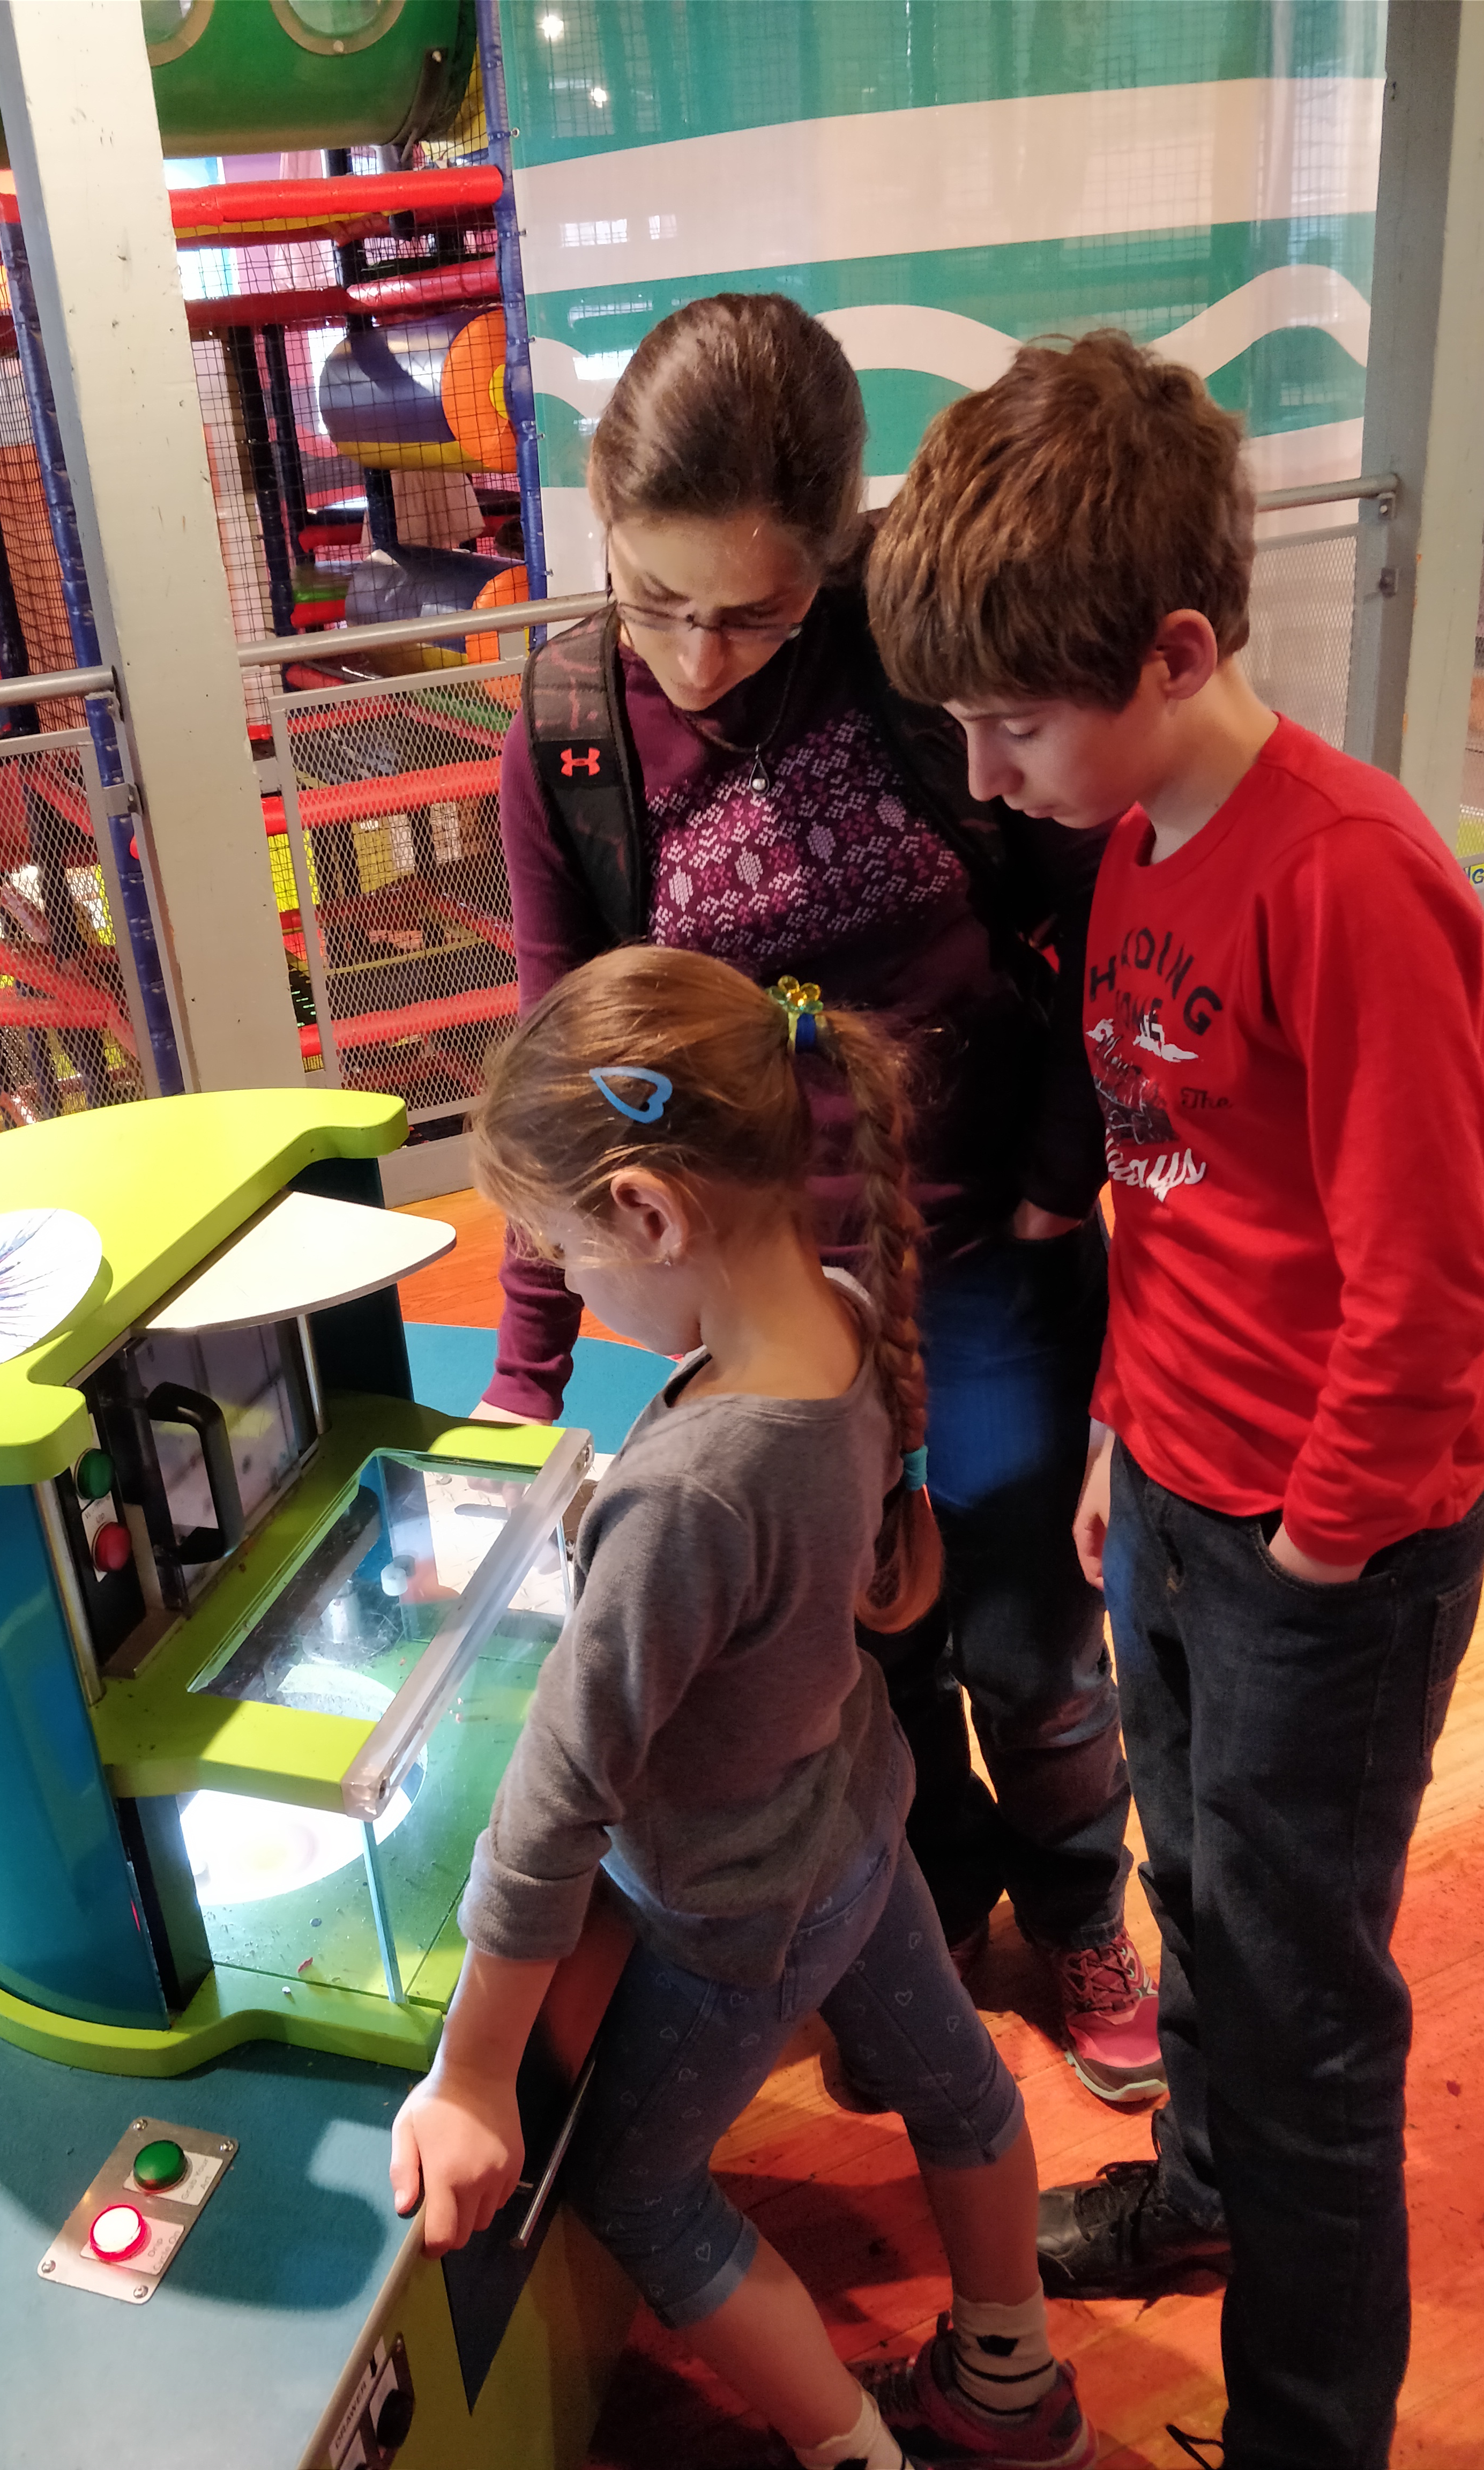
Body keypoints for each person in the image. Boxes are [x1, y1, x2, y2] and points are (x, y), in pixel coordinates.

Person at [868, 328, 1484, 2469]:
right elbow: (1179, 1189)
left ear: (1175, 647)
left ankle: (1308, 2427)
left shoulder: (1354, 876)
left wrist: (1315, 1546)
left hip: (1334, 1543)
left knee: (1305, 2006)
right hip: (1175, 1486)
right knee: (1201, 1901)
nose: (987, 779)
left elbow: (1433, 1286)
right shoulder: (1136, 836)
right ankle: (1200, 2198)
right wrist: (1126, 1431)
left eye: (1013, 724)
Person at [476, 291, 1159, 2104]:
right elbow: (561, 1059)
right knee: (860, 1637)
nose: (699, 655)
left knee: (1029, 1630)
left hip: (985, 1242)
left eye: (756, 612)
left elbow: (1094, 915)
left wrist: (1055, 1182)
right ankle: (922, 1917)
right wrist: (524, 1376)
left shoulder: (920, 657)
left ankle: (1080, 1906)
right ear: (600, 519)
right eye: (655, 600)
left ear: (834, 557)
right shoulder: (568, 727)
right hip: (771, 1290)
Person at [393, 944, 1096, 2470]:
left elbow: (555, 1806)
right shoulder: (839, 1307)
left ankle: (855, 2452)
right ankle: (1010, 2384)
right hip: (854, 1818)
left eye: (564, 1253)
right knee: (956, 2088)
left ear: (651, 1214)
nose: (572, 1288)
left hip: (735, 1907)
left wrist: (471, 2078)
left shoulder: (693, 1495)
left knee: (640, 2192)